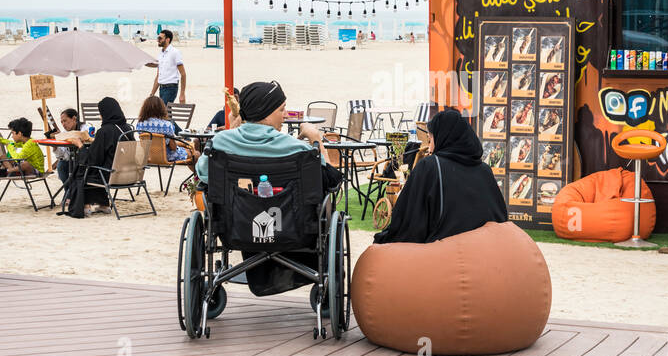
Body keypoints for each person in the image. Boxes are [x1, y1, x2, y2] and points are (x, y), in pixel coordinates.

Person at [197, 81, 342, 298]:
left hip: (235, 228)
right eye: (281, 110)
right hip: (293, 230)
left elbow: (204, 175)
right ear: (265, 113)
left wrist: (233, 131)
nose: (284, 116)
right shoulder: (298, 149)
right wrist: (316, 138)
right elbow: (331, 180)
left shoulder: (219, 144)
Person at [372, 109, 507, 245]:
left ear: (442, 138)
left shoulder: (430, 166)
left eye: (430, 140)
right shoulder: (484, 170)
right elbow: (500, 217)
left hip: (446, 256)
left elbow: (407, 224)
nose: (430, 148)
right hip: (489, 251)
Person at [62, 96, 132, 217]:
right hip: (130, 174)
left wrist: (79, 145)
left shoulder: (104, 131)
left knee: (83, 169)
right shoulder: (127, 129)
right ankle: (103, 204)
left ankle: (85, 205)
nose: (100, 116)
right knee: (96, 167)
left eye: (101, 113)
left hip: (111, 176)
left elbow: (92, 159)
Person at [135, 95, 197, 165]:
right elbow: (173, 148)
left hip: (149, 156)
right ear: (161, 108)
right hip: (166, 157)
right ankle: (196, 175)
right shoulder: (167, 125)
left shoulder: (140, 124)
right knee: (194, 153)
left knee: (185, 146)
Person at [146, 30, 186, 106]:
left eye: (160, 38)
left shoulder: (175, 52)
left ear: (167, 39)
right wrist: (152, 94)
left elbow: (183, 74)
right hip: (162, 88)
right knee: (166, 114)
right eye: (158, 38)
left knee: (163, 112)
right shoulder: (161, 54)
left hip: (171, 88)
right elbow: (158, 75)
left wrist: (182, 94)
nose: (158, 40)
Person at [54, 107, 86, 184]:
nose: (63, 124)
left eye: (65, 121)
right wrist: (55, 146)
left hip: (84, 161)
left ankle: (70, 192)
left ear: (74, 119)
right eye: (61, 122)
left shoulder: (85, 128)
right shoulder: (64, 133)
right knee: (61, 165)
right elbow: (62, 156)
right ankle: (68, 191)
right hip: (71, 161)